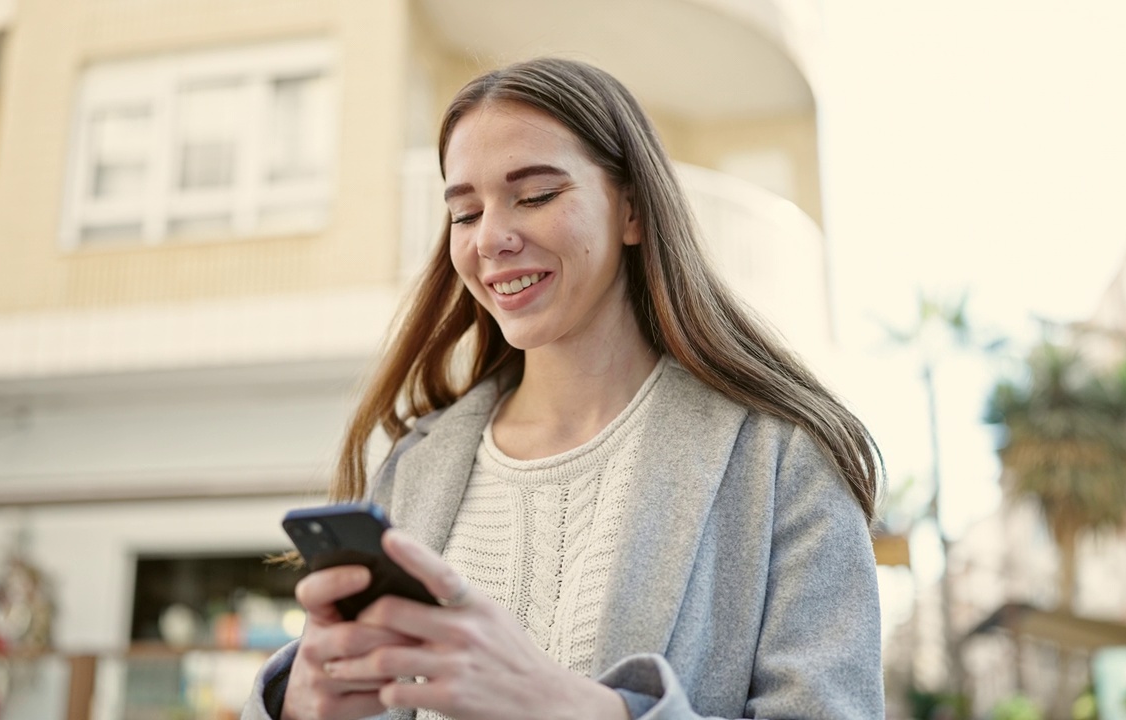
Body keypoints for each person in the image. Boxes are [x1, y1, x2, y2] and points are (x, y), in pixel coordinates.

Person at [244, 57, 884, 720]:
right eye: (465, 213)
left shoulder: (785, 463)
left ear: (631, 209)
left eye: (536, 195)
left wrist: (577, 709)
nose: (491, 237)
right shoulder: (413, 469)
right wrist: (295, 711)